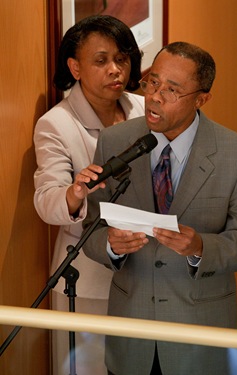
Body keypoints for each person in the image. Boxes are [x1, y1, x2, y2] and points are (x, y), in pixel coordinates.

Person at [82, 41, 237, 375]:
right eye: (153, 81)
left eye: (172, 90)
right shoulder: (114, 141)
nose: (154, 96)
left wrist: (200, 247)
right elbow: (91, 228)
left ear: (201, 98)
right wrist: (111, 245)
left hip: (199, 338)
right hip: (130, 337)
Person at [33, 15, 144, 375]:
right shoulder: (57, 124)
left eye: (122, 59)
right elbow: (47, 201)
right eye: (101, 61)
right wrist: (76, 192)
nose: (116, 70)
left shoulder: (143, 110)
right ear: (75, 67)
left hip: (147, 276)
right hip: (87, 281)